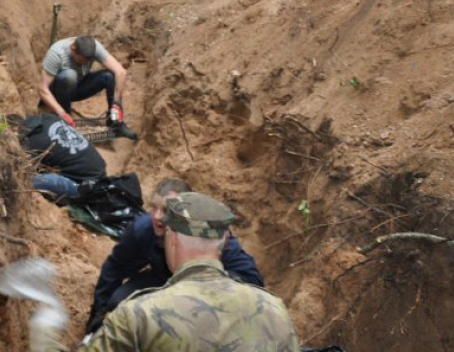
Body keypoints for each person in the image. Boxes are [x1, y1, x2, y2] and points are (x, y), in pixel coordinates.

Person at [29, 192, 299, 352]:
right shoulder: (275, 310)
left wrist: (45, 325)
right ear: (224, 240)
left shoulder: (139, 314)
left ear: (171, 237)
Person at [84, 178, 264, 335]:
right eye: (153, 207)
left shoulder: (211, 237)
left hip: (205, 293)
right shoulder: (143, 229)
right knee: (118, 302)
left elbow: (252, 280)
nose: (156, 216)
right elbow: (115, 268)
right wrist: (98, 316)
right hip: (162, 280)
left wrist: (211, 288)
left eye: (166, 210)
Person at [38, 36, 136, 140]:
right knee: (69, 75)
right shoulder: (57, 53)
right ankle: (65, 122)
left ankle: (115, 122)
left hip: (78, 86)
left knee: (109, 76)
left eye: (86, 62)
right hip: (57, 92)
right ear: (73, 48)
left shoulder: (94, 48)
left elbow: (121, 72)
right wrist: (61, 113)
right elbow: (42, 89)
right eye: (80, 61)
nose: (83, 64)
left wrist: (117, 104)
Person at [16, 113, 107, 204]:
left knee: (27, 180)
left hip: (85, 187)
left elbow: (26, 169)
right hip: (100, 170)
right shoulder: (50, 117)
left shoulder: (31, 143)